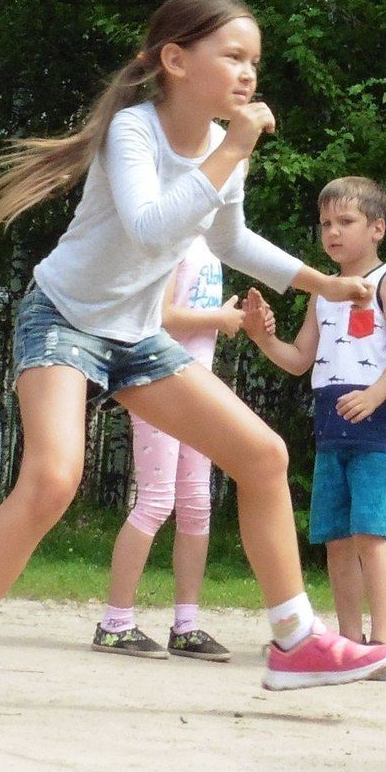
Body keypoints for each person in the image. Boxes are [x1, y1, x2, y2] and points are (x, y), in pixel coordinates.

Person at [0, 0, 386, 729]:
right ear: (174, 60)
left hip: (134, 335)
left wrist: (321, 282)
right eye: (233, 56)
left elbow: (229, 243)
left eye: (255, 61)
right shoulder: (134, 131)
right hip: (64, 318)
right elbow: (151, 226)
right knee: (53, 478)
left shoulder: (226, 144)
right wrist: (232, 150)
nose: (249, 73)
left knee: (262, 455)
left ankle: (294, 642)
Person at [243, 177, 386, 671]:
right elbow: (300, 359)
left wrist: (373, 396)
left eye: (346, 222)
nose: (333, 233)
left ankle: (383, 643)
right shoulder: (322, 292)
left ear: (377, 228)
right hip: (330, 427)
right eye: (325, 224)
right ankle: (347, 643)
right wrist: (261, 338)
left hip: (380, 425)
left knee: (371, 536)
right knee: (337, 540)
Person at [94, 237, 240, 662]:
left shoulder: (210, 246)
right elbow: (162, 316)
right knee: (156, 500)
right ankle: (115, 623)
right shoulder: (172, 241)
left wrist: (233, 319)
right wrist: (221, 318)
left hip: (196, 386)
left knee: (196, 502)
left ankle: (187, 625)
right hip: (158, 382)